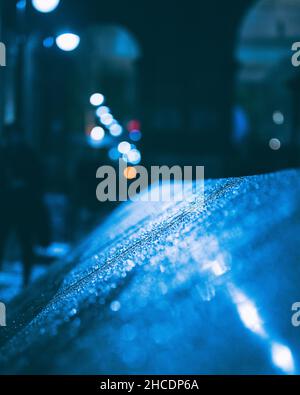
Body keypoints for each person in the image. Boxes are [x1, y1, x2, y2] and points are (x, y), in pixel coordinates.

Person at [0, 124, 48, 287]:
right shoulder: (5, 154)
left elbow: (38, 178)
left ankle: (26, 278)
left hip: (24, 207)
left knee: (25, 241)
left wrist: (25, 185)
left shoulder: (28, 154)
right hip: (6, 205)